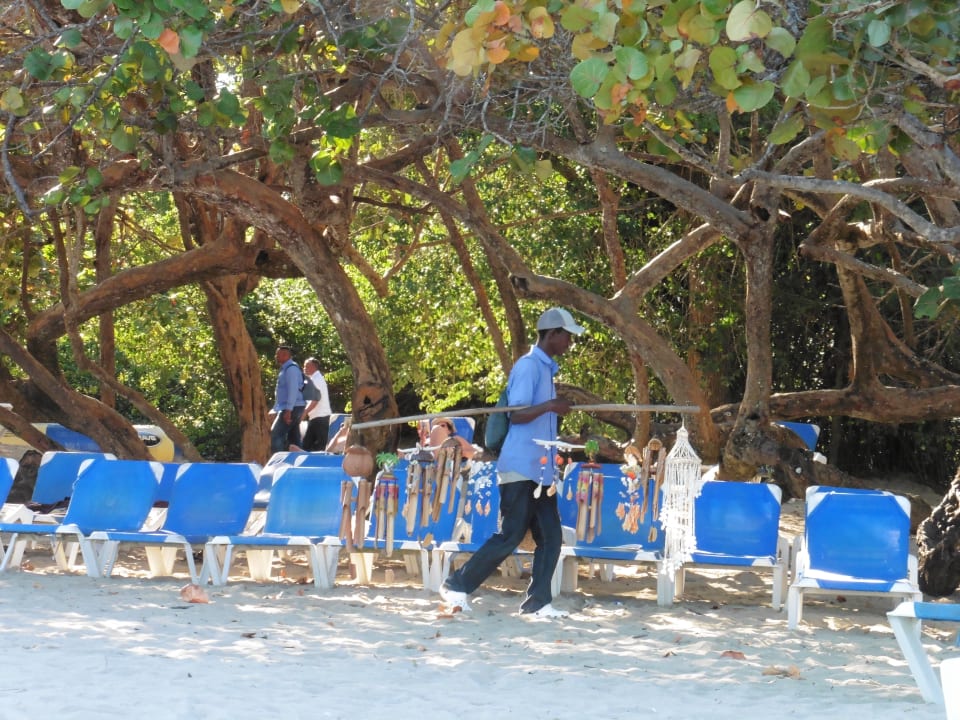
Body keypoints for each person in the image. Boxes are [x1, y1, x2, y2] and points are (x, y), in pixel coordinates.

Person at [439, 307, 584, 618]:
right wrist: (552, 406)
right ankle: (456, 584)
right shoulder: (529, 366)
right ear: (553, 334)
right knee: (511, 534)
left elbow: (538, 420)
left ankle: (538, 603)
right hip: (520, 466)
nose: (570, 342)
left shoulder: (546, 370)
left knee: (551, 536)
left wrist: (562, 436)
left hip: (541, 470)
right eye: (567, 336)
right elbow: (516, 415)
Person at [268, 345, 306, 453]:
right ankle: (299, 461)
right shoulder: (285, 370)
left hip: (292, 408)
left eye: (278, 354)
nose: (276, 357)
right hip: (293, 407)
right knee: (294, 437)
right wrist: (275, 409)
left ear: (286, 355)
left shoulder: (291, 370)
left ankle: (277, 462)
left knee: (276, 435)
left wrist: (289, 410)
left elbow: (293, 390)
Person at [300, 356, 332, 451]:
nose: (304, 368)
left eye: (306, 366)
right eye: (304, 366)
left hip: (321, 417)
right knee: (308, 444)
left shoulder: (316, 380)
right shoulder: (313, 379)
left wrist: (304, 412)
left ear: (313, 367)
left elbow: (315, 399)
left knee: (317, 446)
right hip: (316, 417)